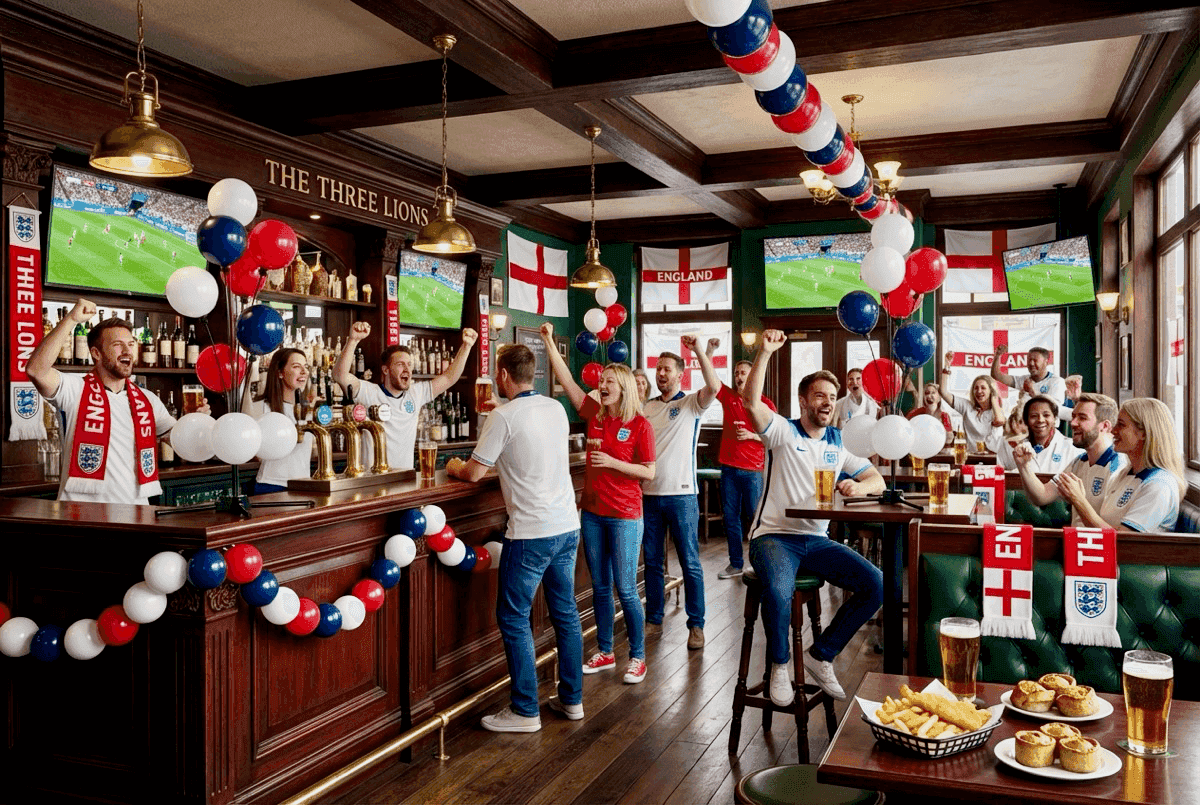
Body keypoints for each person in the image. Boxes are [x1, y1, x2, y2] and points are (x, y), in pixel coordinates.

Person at [741, 330, 885, 704]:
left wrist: (859, 488)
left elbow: (876, 477)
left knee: (875, 584)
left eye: (831, 396)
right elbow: (750, 401)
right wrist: (765, 352)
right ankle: (779, 666)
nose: (826, 402)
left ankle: (822, 655)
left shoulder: (838, 442)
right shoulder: (783, 432)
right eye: (819, 395)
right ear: (803, 400)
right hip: (773, 537)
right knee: (778, 590)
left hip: (816, 542)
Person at [446, 344, 583, 732]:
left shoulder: (503, 417)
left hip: (531, 532)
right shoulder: (555, 409)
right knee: (566, 614)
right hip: (566, 525)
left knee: (513, 616)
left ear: (503, 375)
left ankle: (525, 710)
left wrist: (455, 465)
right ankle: (572, 700)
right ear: (534, 374)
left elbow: (473, 474)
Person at [542, 323, 655, 684]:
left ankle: (638, 657)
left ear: (623, 389)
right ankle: (606, 651)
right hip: (592, 514)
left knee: (625, 586)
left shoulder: (639, 425)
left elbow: (649, 472)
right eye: (602, 380)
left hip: (625, 515)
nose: (602, 385)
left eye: (608, 382)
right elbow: (570, 385)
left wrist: (614, 463)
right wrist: (547, 341)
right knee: (600, 587)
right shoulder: (594, 414)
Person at [26, 299, 202, 504]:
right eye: (118, 345)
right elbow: (36, 370)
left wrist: (196, 424)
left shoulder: (147, 400)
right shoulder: (76, 389)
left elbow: (181, 442)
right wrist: (72, 319)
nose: (127, 351)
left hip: (135, 513)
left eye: (130, 344)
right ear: (96, 353)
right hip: (82, 514)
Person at [642, 337, 720, 650]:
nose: (661, 373)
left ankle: (696, 625)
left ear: (679, 375)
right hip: (648, 496)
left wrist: (702, 351)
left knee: (689, 562)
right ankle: (654, 618)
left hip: (682, 496)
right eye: (658, 369)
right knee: (651, 561)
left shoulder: (690, 404)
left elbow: (713, 387)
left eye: (667, 369)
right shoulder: (646, 407)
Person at [333, 322, 477, 470]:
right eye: (401, 364)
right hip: (373, 482)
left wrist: (466, 347)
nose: (407, 369)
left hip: (404, 480)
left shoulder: (415, 394)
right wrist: (353, 340)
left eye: (409, 364)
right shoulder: (369, 392)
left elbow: (449, 378)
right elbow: (340, 375)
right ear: (386, 370)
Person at [1056, 397, 1184, 532]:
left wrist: (1078, 500)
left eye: (1121, 425)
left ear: (1143, 433)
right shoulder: (1125, 473)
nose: (1112, 430)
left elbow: (1123, 541)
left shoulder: (1159, 484)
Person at [1013, 392, 1128, 526]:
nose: (1073, 423)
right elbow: (1042, 496)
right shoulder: (1079, 461)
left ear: (1105, 426)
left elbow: (1113, 536)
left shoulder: (1120, 466)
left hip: (1096, 546)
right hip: (1075, 543)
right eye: (1073, 417)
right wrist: (1024, 466)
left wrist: (1077, 499)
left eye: (1082, 418)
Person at [714, 357, 776, 579]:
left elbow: (773, 437)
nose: (739, 377)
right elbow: (711, 380)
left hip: (753, 470)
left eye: (744, 373)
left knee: (755, 518)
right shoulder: (728, 397)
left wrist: (752, 435)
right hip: (729, 469)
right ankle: (736, 564)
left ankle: (761, 565)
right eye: (737, 373)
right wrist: (708, 351)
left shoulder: (766, 404)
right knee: (730, 517)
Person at [241, 348, 314, 494]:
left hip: (304, 485)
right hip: (270, 486)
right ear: (280, 373)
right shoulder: (260, 408)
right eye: (296, 367)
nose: (304, 372)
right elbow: (249, 449)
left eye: (305, 367)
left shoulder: (309, 412)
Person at [939, 352, 1004, 452]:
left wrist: (994, 398)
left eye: (983, 388)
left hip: (992, 459)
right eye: (976, 388)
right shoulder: (967, 406)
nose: (979, 391)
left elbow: (999, 421)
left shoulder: (996, 411)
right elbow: (943, 392)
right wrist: (946, 366)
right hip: (971, 458)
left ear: (991, 391)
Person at [996, 396, 1078, 473]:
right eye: (1034, 416)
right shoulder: (1009, 444)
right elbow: (999, 474)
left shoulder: (1072, 448)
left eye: (1046, 415)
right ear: (1026, 420)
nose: (1040, 420)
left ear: (1055, 418)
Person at [991, 344, 1066, 410]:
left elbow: (1054, 408)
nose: (1031, 363)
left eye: (1035, 360)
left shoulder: (1057, 381)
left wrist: (1032, 392)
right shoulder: (1024, 380)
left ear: (1046, 362)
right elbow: (997, 375)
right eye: (1029, 360)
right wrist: (997, 356)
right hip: (1025, 425)